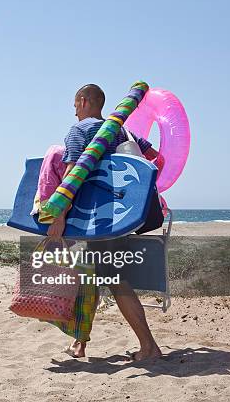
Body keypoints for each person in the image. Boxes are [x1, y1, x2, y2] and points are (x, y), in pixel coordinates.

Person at [47, 84, 163, 361]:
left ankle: (149, 347)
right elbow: (156, 159)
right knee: (91, 278)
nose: (74, 109)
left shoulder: (80, 131)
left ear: (84, 101)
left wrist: (59, 216)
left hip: (96, 219)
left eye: (75, 103)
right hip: (122, 218)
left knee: (115, 280)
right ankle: (80, 343)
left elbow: (72, 173)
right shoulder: (124, 131)